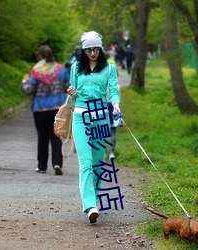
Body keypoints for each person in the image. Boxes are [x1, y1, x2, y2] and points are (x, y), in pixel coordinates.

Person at [67, 31, 120, 223]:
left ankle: (95, 199)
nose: (92, 53)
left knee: (98, 163)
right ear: (83, 50)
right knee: (86, 163)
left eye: (96, 49)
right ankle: (90, 205)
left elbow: (112, 90)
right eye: (88, 50)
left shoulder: (109, 68)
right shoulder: (75, 68)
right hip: (81, 117)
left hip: (100, 116)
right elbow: (73, 97)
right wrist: (72, 92)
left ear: (101, 48)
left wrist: (115, 104)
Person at [21, 45, 70, 175]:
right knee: (56, 137)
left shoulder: (36, 71)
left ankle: (42, 166)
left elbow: (29, 90)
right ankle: (57, 163)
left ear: (40, 57)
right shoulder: (61, 70)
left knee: (42, 138)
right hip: (57, 109)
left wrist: (24, 83)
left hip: (40, 109)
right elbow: (68, 87)